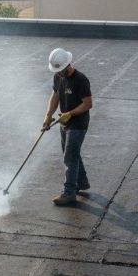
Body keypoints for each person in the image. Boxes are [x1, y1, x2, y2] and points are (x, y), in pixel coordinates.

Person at [42, 48, 93, 205]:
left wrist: (70, 113)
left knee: (69, 157)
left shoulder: (80, 80)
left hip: (78, 124)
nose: (59, 73)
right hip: (65, 123)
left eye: (61, 70)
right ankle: (81, 183)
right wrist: (48, 115)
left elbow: (88, 104)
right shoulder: (58, 77)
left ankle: (69, 192)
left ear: (67, 65)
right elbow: (55, 95)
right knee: (72, 153)